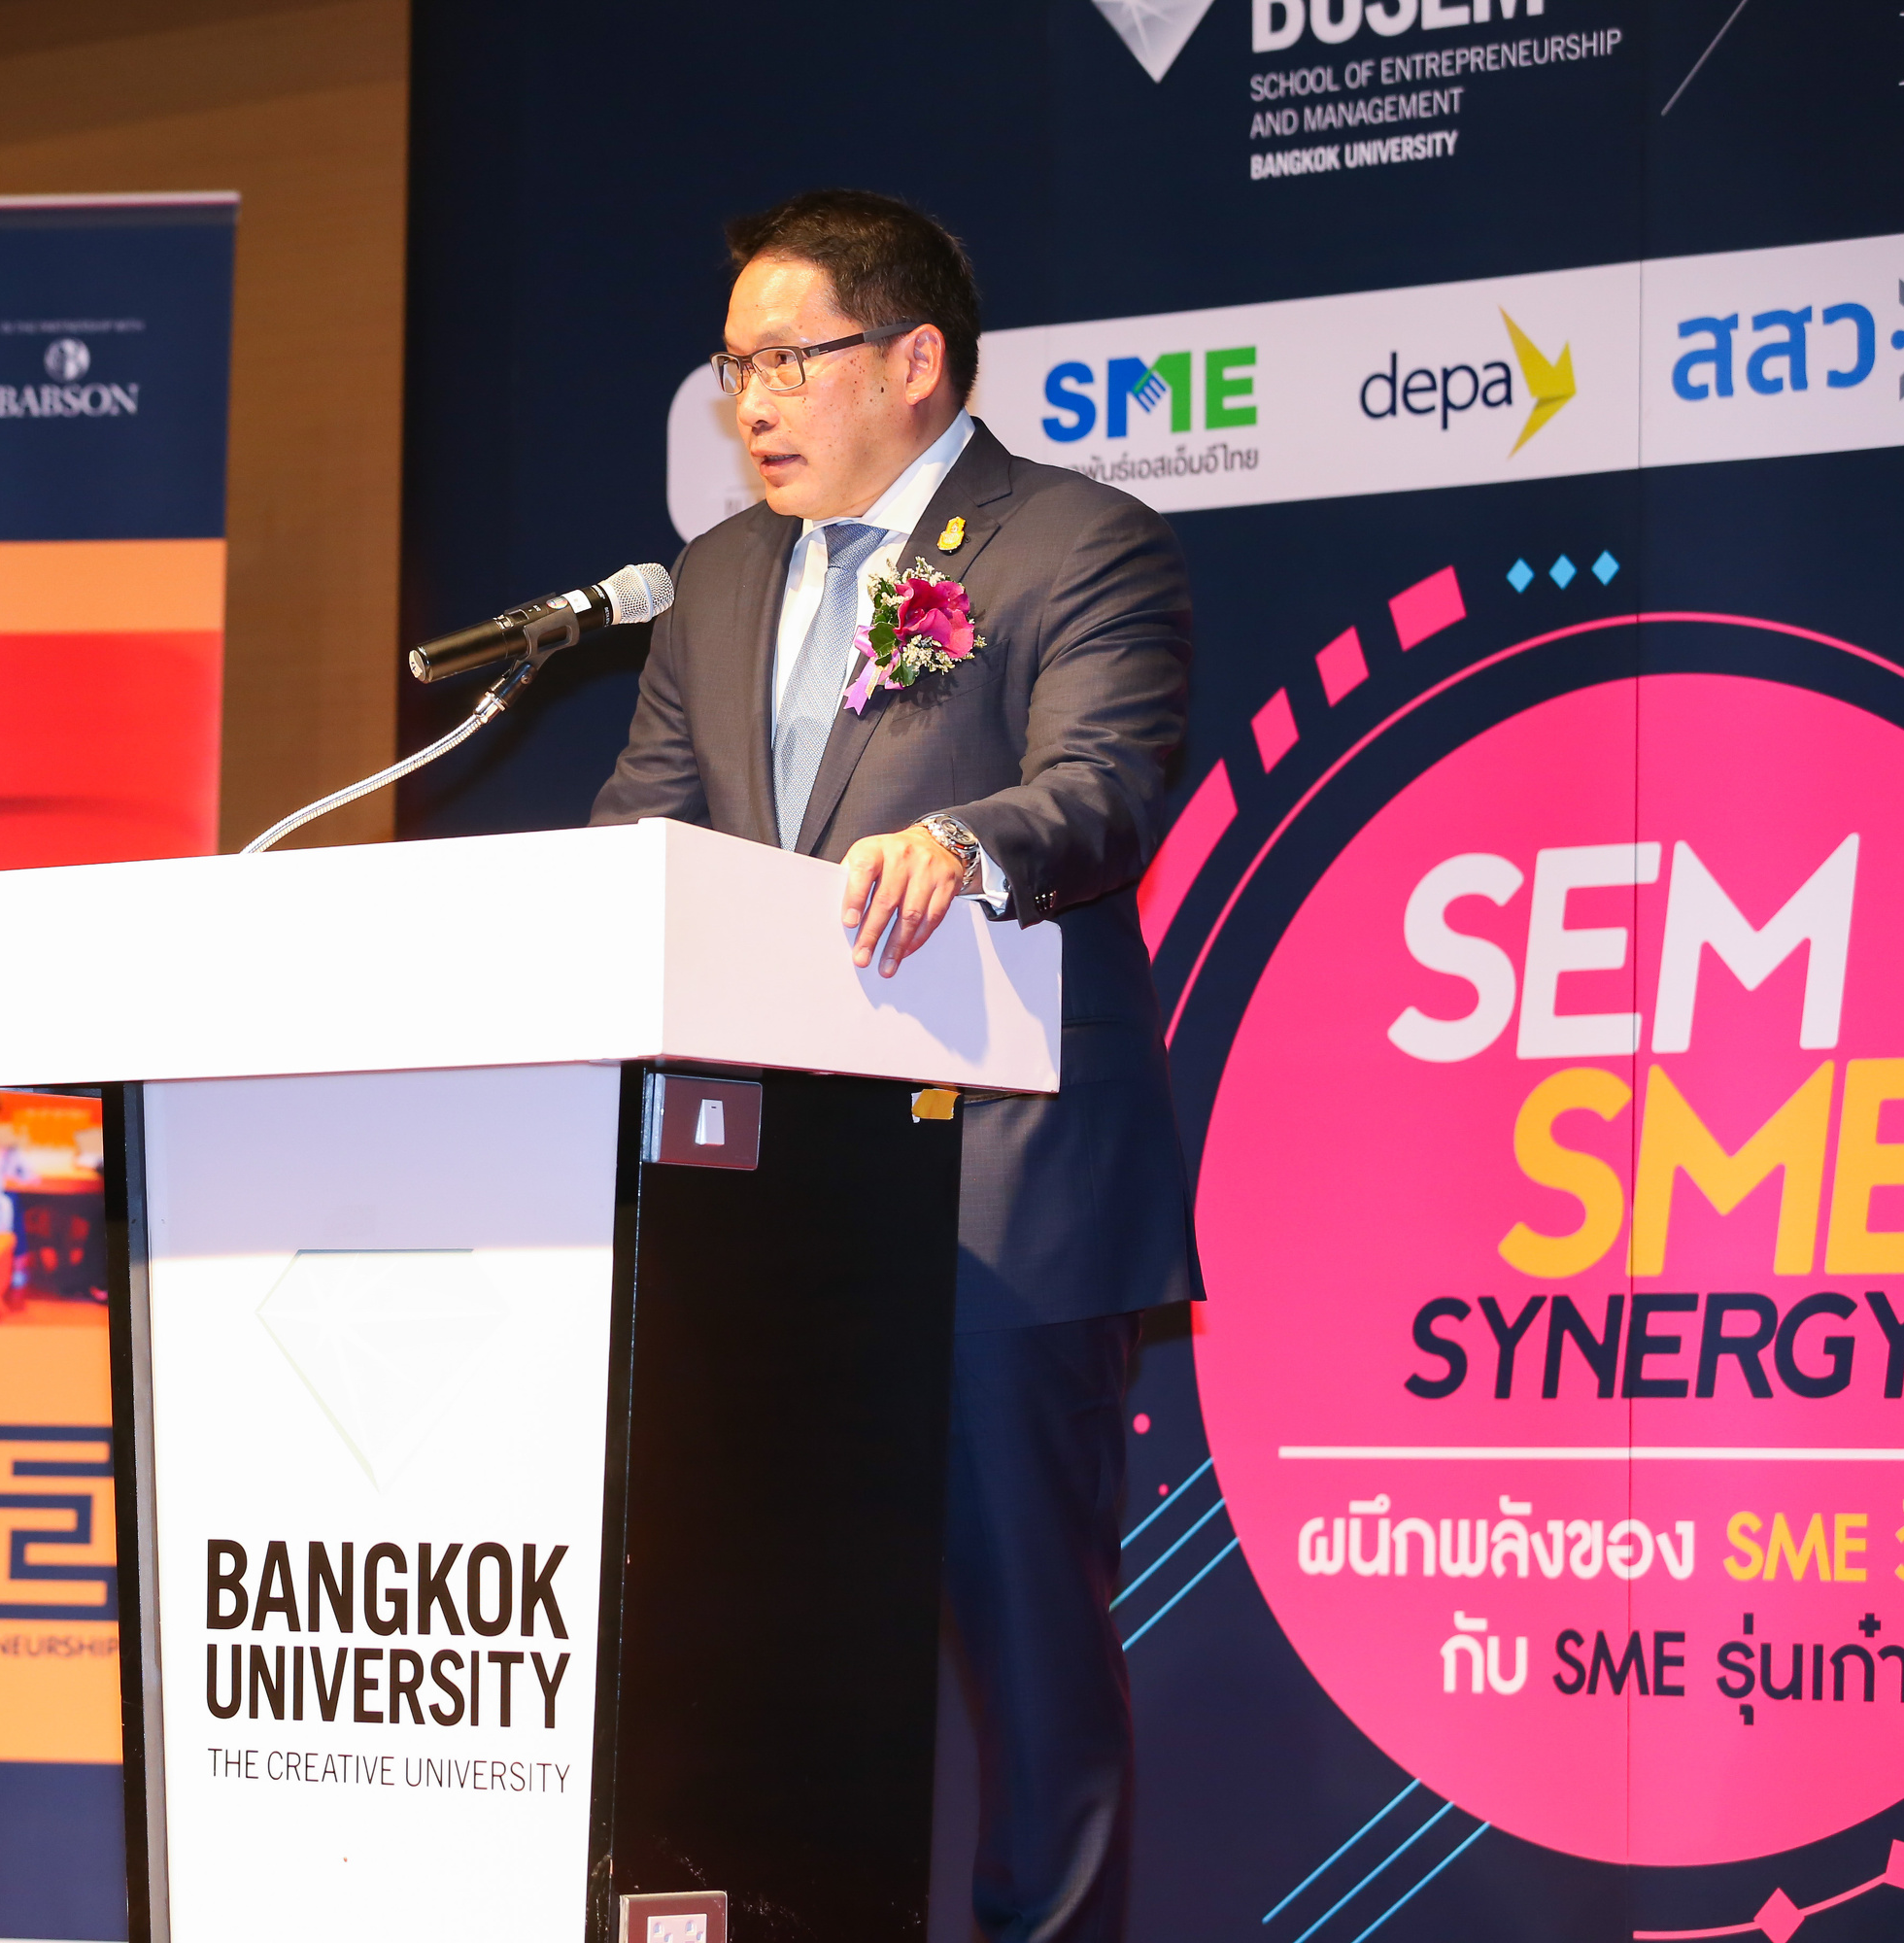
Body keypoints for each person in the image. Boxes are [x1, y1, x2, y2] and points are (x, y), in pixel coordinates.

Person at [591, 189, 1199, 1943]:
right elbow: (645, 834)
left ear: (915, 359)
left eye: (788, 360)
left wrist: (966, 842)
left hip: (998, 1190)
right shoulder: (717, 580)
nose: (752, 403)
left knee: (1030, 1660)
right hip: (757, 1210)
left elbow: (1102, 784)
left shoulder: (1074, 542)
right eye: (733, 369)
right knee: (752, 1647)